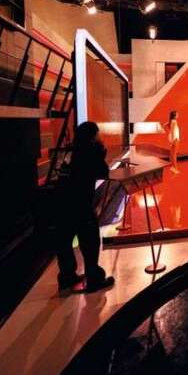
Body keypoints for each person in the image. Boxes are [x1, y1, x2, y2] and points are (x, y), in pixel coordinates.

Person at [55, 121, 114, 294]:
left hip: (62, 202)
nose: (99, 137)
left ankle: (67, 278)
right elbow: (103, 172)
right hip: (80, 203)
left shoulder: (70, 151)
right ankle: (94, 279)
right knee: (90, 241)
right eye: (97, 134)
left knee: (65, 242)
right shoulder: (91, 150)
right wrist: (101, 152)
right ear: (92, 136)